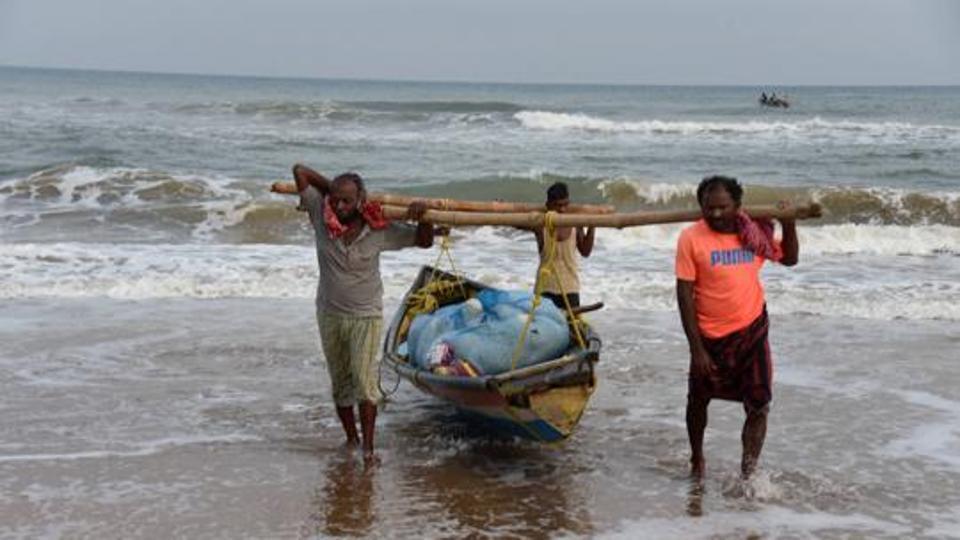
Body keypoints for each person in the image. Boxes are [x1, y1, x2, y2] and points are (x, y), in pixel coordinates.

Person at [292, 163, 435, 462]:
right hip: (329, 313)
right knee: (340, 381)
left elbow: (423, 241)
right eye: (336, 199)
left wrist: (423, 218)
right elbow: (300, 171)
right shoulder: (321, 215)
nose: (340, 206)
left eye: (347, 200)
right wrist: (331, 189)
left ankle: (369, 449)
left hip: (365, 316)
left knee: (363, 380)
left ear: (360, 202)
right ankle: (351, 440)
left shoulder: (378, 230)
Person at [675, 175, 799, 479]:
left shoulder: (754, 234)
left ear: (737, 206)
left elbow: (791, 259)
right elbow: (684, 294)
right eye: (709, 208)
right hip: (709, 337)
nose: (715, 214)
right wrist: (697, 349)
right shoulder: (691, 237)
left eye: (722, 207)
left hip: (751, 332)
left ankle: (748, 473)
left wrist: (789, 223)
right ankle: (697, 459)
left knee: (759, 405)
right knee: (698, 400)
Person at [530, 182, 595, 309]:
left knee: (573, 326)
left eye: (566, 204)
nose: (562, 209)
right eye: (558, 206)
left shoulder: (575, 223)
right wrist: (501, 208)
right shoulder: (540, 225)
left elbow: (586, 252)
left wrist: (593, 224)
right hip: (545, 287)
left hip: (570, 287)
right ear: (548, 205)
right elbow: (514, 223)